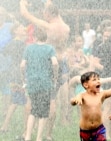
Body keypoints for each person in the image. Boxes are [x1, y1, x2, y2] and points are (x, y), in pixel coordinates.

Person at [20, 1, 70, 140]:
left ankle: (26, 133)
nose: (43, 15)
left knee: (32, 98)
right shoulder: (65, 27)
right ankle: (48, 135)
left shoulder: (48, 26)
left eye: (44, 12)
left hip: (47, 65)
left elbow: (25, 14)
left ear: (49, 13)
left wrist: (22, 3)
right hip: (61, 65)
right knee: (52, 100)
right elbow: (53, 9)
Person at [70, 63, 111, 141]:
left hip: (99, 130)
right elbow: (73, 101)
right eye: (94, 80)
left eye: (98, 79)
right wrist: (75, 100)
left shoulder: (102, 95)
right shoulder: (82, 96)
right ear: (86, 85)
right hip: (85, 131)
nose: (98, 81)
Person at [20, 27, 58, 141]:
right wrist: (55, 77)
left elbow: (22, 65)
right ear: (45, 37)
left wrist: (24, 78)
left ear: (35, 37)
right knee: (44, 112)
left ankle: (27, 136)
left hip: (32, 83)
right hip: (45, 83)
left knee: (33, 110)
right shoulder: (49, 48)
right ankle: (39, 138)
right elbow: (55, 63)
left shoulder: (29, 48)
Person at [0, 23, 28, 133]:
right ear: (16, 31)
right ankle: (26, 130)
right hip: (21, 74)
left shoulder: (11, 43)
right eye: (21, 27)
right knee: (27, 101)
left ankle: (5, 126)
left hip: (14, 73)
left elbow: (3, 52)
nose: (24, 28)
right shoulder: (20, 44)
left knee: (16, 100)